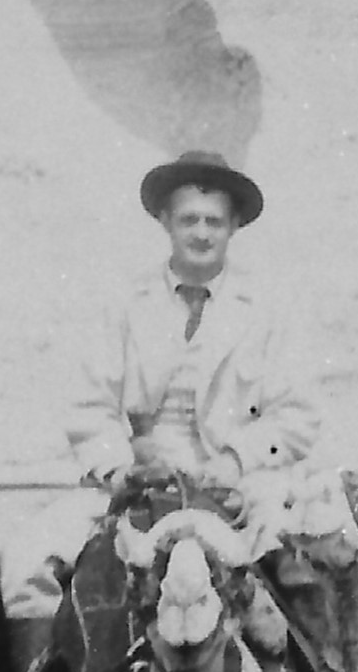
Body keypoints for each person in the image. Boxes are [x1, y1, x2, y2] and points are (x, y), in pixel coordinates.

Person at [64, 154, 319, 501]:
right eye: (188, 220)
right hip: (140, 482)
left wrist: (237, 460)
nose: (201, 234)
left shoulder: (268, 309)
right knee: (56, 532)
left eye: (214, 222)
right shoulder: (127, 303)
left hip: (239, 484)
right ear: (165, 221)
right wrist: (120, 470)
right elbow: (89, 407)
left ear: (234, 226)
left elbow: (298, 416)